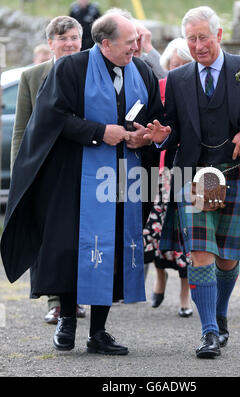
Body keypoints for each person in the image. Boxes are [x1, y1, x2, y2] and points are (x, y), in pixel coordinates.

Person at [1, 11, 163, 355]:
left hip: (122, 179)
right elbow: (52, 117)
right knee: (72, 250)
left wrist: (146, 137)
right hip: (74, 177)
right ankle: (67, 322)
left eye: (136, 41)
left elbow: (155, 116)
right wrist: (99, 132)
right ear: (105, 44)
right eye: (129, 42)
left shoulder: (143, 70)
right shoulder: (70, 68)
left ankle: (99, 332)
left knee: (113, 249)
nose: (137, 47)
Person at [144, 6, 240, 359]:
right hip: (195, 177)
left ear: (219, 35)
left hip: (238, 173)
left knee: (227, 258)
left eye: (203, 37)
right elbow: (173, 130)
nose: (198, 46)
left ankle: (220, 313)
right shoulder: (180, 78)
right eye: (191, 39)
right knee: (200, 254)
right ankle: (209, 331)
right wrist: (163, 136)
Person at [11, 16, 86, 326]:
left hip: (81, 167)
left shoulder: (91, 74)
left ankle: (76, 298)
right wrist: (21, 171)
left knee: (79, 235)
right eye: (62, 39)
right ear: (51, 43)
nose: (68, 44)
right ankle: (56, 302)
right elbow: (21, 129)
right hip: (43, 167)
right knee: (47, 237)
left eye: (73, 38)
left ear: (82, 41)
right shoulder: (32, 76)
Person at [143, 38, 194, 317]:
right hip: (158, 169)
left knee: (185, 229)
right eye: (172, 65)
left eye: (182, 66)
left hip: (187, 169)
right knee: (156, 226)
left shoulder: (197, 92)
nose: (176, 71)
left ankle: (185, 293)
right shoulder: (159, 89)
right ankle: (160, 277)